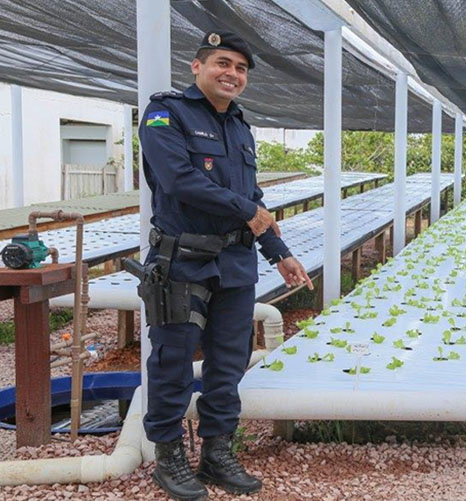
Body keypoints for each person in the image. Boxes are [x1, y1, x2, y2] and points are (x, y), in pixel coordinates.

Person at [138, 30, 313, 501]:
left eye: (240, 68)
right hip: (184, 262)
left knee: (228, 364)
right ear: (197, 67)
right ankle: (169, 456)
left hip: (235, 264)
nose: (232, 74)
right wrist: (248, 212)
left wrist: (280, 253)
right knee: (173, 361)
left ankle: (216, 452)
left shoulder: (240, 127)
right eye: (222, 63)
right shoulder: (165, 114)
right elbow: (179, 181)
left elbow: (253, 201)